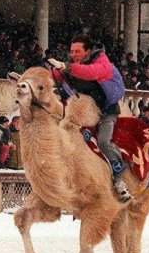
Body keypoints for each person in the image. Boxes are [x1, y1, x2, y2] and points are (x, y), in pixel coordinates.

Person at [47, 34, 130, 203]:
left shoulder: (102, 63)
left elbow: (90, 73)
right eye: (71, 51)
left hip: (106, 112)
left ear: (88, 51)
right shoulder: (71, 67)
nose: (74, 54)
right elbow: (57, 84)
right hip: (83, 114)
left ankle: (119, 178)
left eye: (78, 51)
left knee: (103, 142)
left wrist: (66, 67)